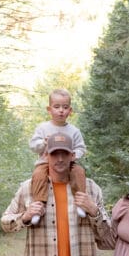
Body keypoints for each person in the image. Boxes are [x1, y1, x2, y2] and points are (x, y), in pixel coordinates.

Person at [28, 88, 87, 224]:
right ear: (49, 109)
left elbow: (81, 148)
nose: (61, 110)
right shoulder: (43, 128)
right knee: (38, 174)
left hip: (68, 163)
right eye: (57, 107)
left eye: (65, 107)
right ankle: (39, 205)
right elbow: (33, 145)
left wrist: (74, 155)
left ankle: (80, 202)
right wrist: (43, 142)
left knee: (79, 171)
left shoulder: (74, 131)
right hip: (45, 162)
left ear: (70, 111)